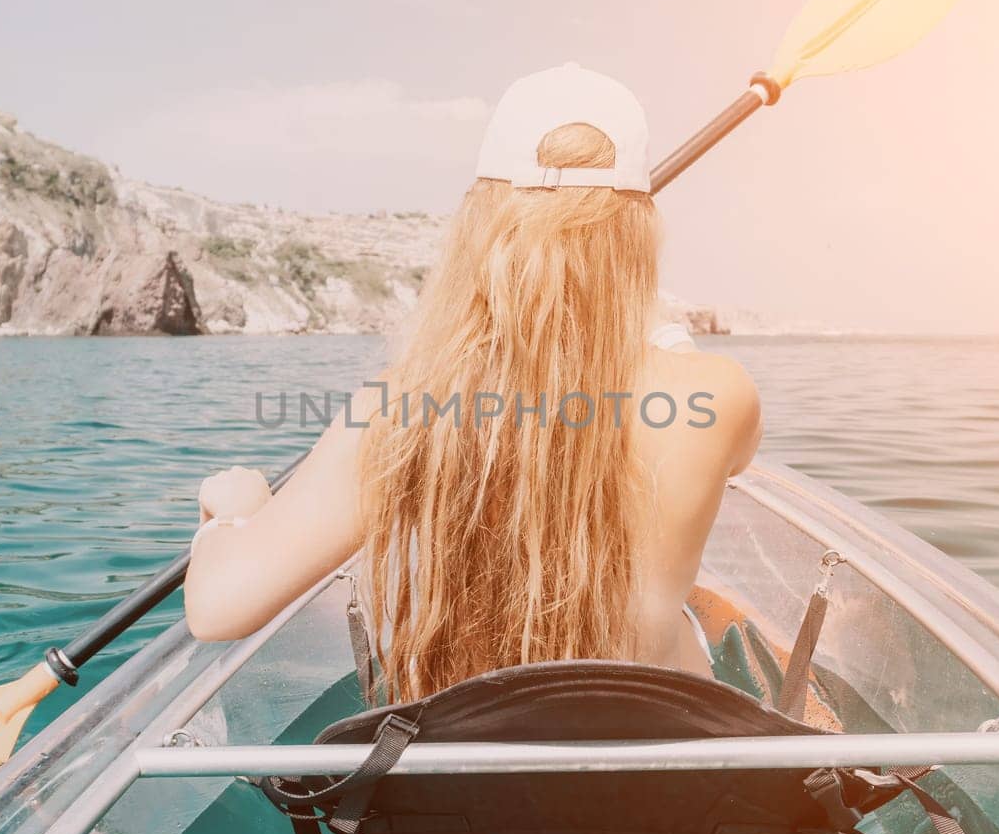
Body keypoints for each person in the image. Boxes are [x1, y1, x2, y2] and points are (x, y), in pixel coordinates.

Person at [185, 63, 761, 703]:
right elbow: (730, 453)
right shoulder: (719, 394)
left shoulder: (402, 406)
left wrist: (233, 514)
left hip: (469, 784)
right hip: (654, 771)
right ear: (638, 233)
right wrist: (658, 329)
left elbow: (216, 611)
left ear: (481, 224)